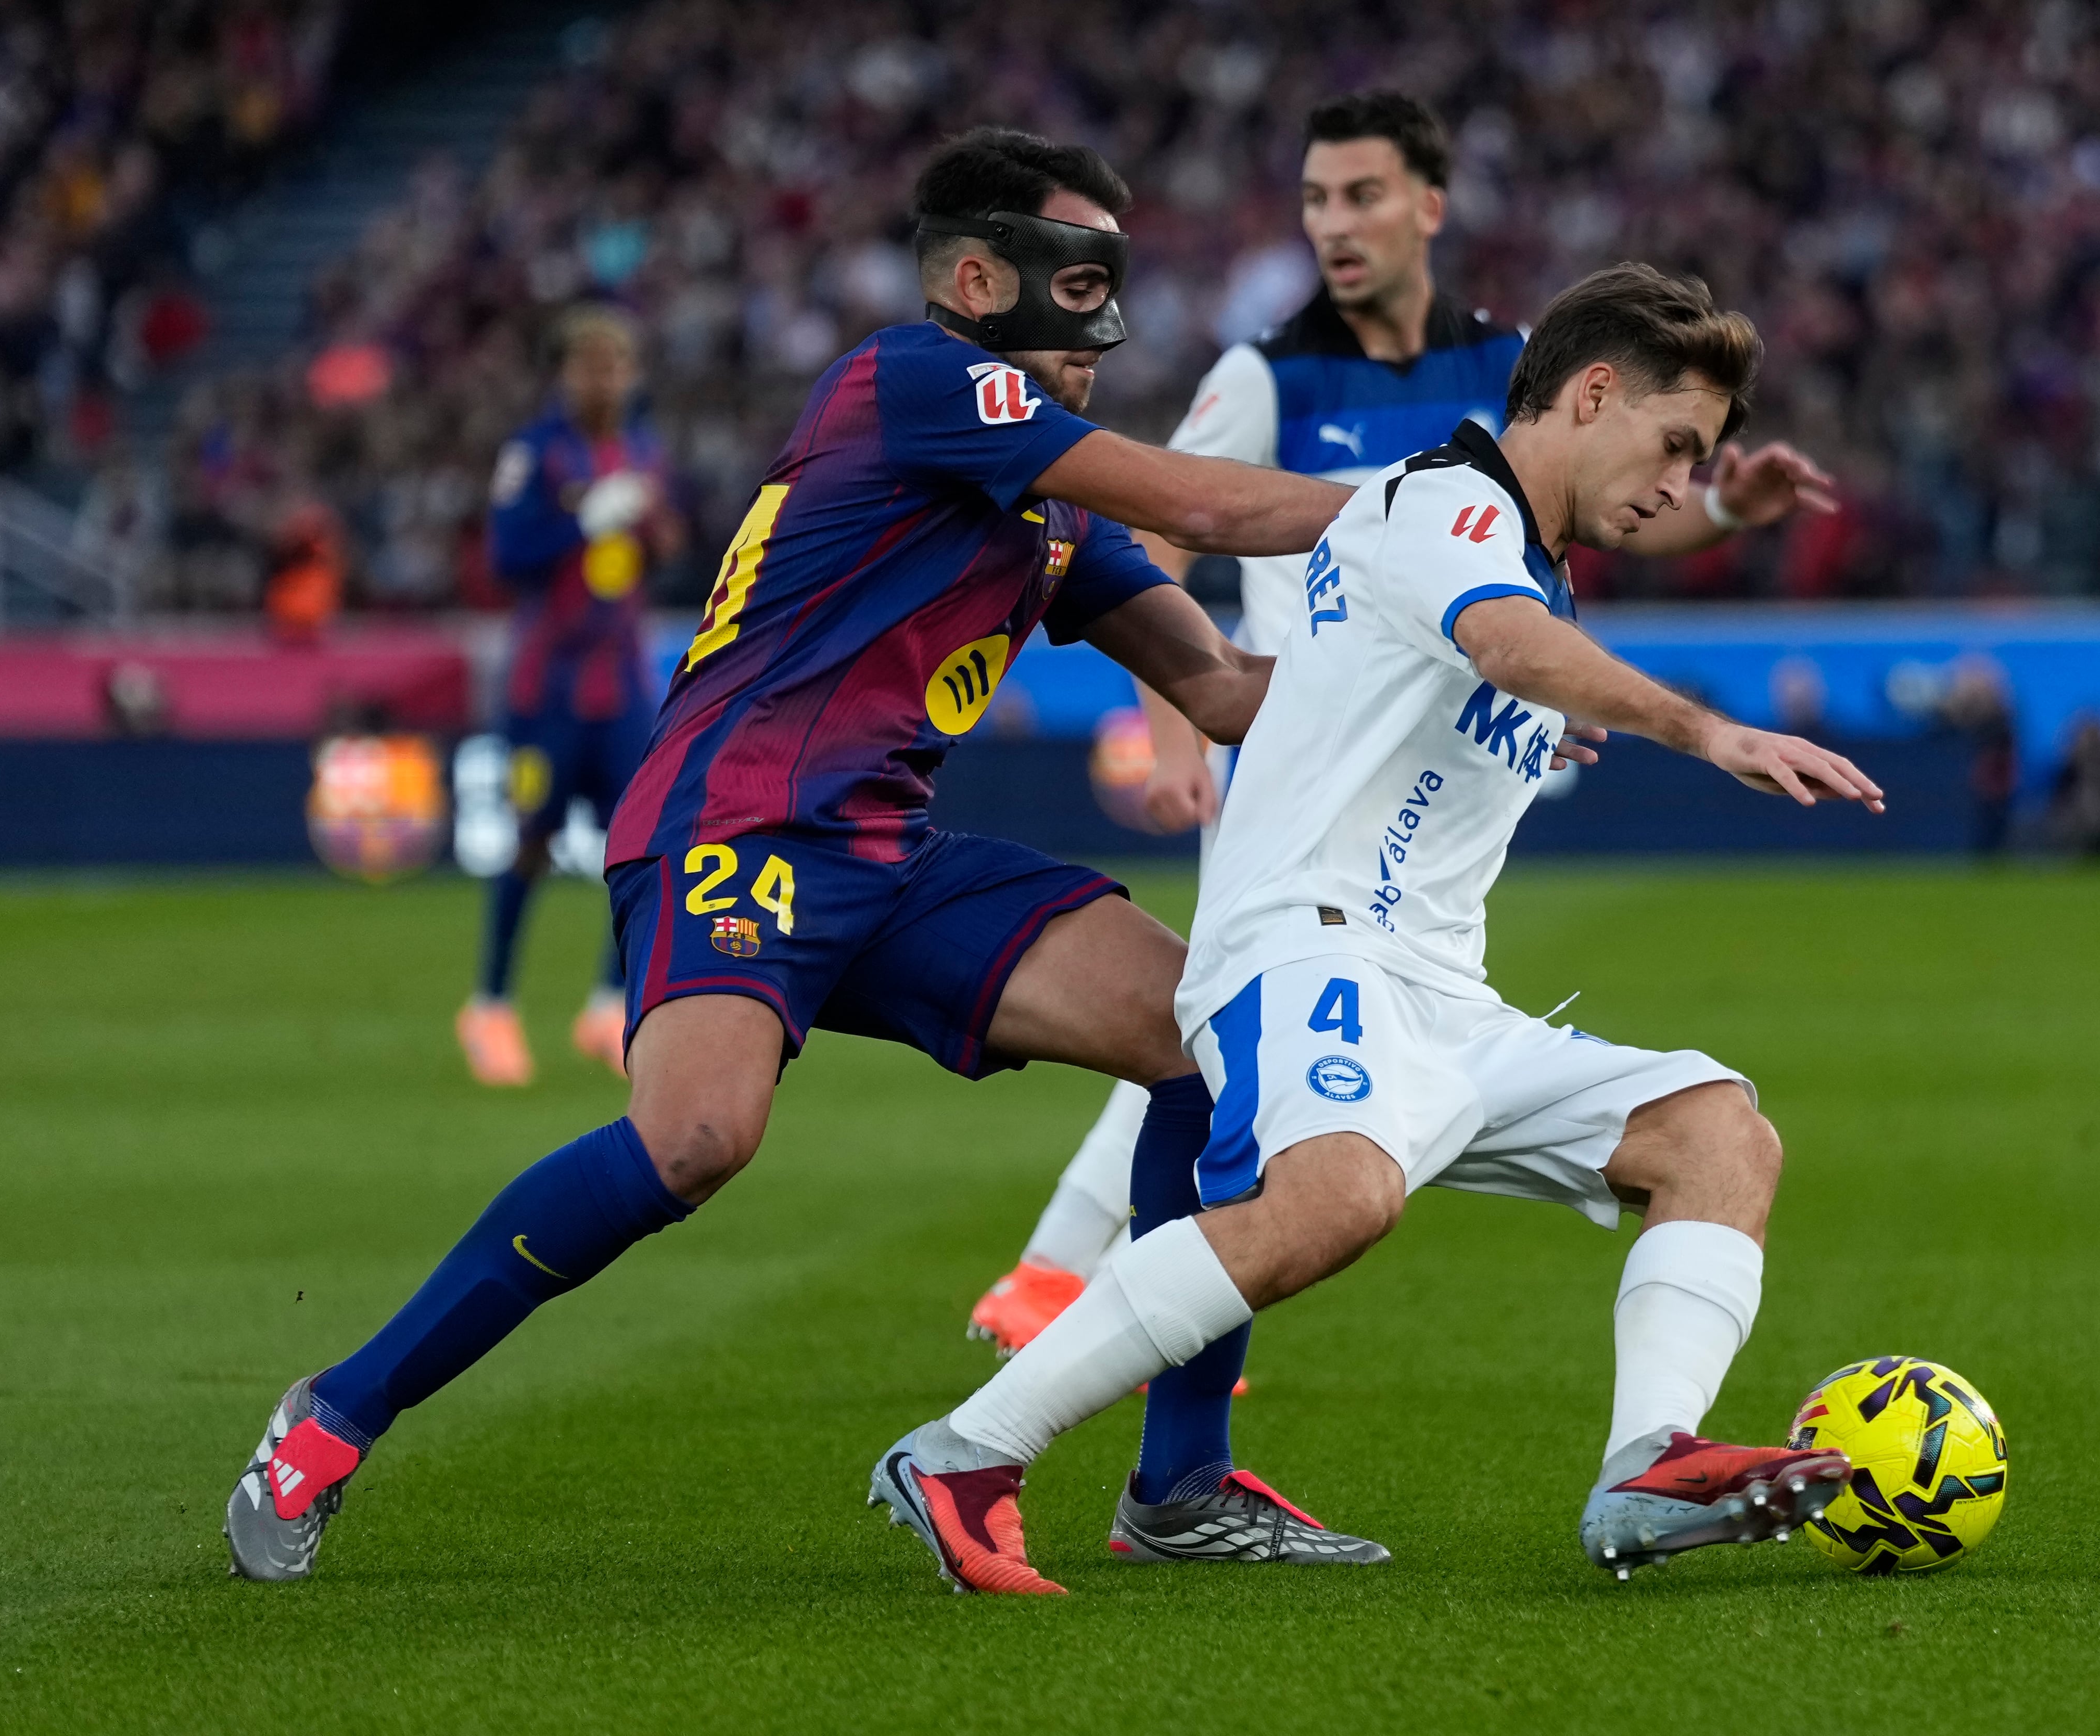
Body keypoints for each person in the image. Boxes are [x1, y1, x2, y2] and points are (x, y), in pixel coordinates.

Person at [223, 127, 1388, 1581]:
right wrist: (1437, 509)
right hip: (737, 820)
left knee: (1208, 1042)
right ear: (981, 280)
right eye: (1076, 282)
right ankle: (333, 1413)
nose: (1101, 322)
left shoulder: (1053, 514)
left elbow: (1220, 688)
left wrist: (1472, 675)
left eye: (1110, 286)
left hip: (888, 852)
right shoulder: (915, 377)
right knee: (696, 1142)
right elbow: (1205, 505)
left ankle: (1179, 1487)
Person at [875, 262, 1887, 1595]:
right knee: (1336, 1198)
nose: (1677, 485)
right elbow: (1503, 642)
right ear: (1592, 395)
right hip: (1303, 944)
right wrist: (1708, 731)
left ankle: (1647, 1465)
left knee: (1718, 1135)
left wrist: (1514, 715)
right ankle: (965, 1451)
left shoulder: (1525, 559)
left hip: (1442, 994)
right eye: (1674, 444)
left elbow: (1452, 666)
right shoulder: (1444, 498)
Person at [457, 308, 683, 1086]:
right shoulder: (535, 453)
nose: (604, 380)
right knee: (532, 842)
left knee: (645, 845)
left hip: (621, 684)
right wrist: (581, 522)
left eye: (616, 366)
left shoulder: (645, 452)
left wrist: (651, 529)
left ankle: (609, 1007)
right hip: (547, 687)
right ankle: (490, 1007)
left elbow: (665, 546)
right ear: (563, 373)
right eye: (590, 365)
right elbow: (506, 557)